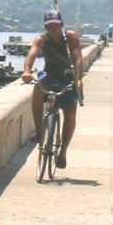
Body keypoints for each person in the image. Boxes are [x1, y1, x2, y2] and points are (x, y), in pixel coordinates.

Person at [22, 10, 83, 169]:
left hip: (67, 77)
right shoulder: (42, 39)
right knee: (37, 91)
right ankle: (39, 131)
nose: (53, 30)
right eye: (50, 27)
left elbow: (78, 58)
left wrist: (78, 79)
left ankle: (62, 153)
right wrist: (27, 71)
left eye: (56, 26)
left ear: (62, 25)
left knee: (70, 112)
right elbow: (31, 56)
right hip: (49, 76)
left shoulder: (71, 37)